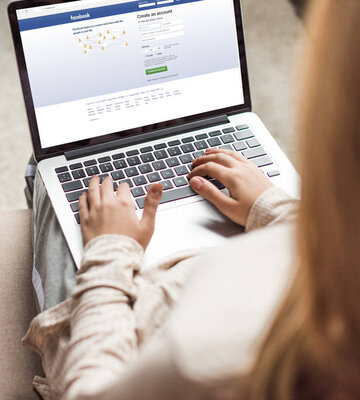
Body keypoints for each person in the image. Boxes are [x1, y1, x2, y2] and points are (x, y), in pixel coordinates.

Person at [22, 0, 360, 398]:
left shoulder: (201, 362)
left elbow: (93, 389)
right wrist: (275, 209)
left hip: (126, 322)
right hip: (226, 264)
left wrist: (110, 251)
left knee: (50, 170)